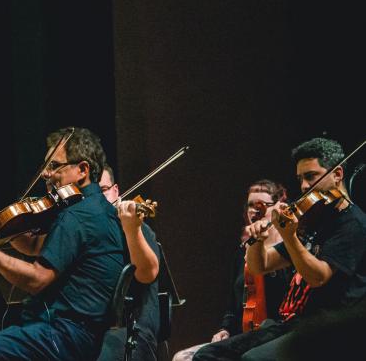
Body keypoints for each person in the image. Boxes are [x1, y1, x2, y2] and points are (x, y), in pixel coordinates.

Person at [0, 127, 126, 361]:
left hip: (61, 337)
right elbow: (37, 247)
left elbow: (37, 279)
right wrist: (7, 229)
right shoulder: (101, 211)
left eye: (54, 166)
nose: (46, 174)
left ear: (82, 170)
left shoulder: (76, 216)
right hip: (85, 338)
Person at [193, 137, 366, 360]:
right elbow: (260, 266)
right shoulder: (316, 222)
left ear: (338, 174)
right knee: (208, 355)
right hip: (293, 324)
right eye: (300, 178)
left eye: (311, 176)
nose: (304, 186)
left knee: (253, 359)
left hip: (328, 330)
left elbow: (318, 276)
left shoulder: (353, 224)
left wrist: (289, 236)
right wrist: (257, 240)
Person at [171, 180, 290, 361]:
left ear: (277, 208)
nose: (254, 210)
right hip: (243, 335)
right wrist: (224, 329)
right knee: (181, 358)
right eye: (250, 205)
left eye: (261, 205)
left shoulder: (286, 250)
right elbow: (232, 305)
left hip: (274, 334)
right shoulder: (242, 252)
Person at [96, 166, 161, 361]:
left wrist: (132, 229)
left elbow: (147, 273)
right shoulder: (86, 235)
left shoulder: (138, 229)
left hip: (133, 329)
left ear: (116, 191)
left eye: (103, 190)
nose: (97, 199)